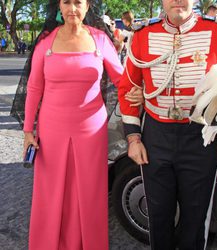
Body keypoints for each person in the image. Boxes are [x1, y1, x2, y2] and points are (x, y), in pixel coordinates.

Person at [118, 0, 217, 249]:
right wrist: (133, 138)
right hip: (156, 135)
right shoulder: (143, 34)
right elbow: (128, 89)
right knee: (158, 216)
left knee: (196, 217)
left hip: (199, 137)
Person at [22, 0, 142, 249]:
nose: (72, 8)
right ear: (59, 6)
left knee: (89, 191)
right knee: (51, 192)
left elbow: (121, 79)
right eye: (67, 2)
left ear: (88, 6)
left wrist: (140, 93)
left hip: (91, 131)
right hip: (51, 130)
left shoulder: (100, 40)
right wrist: (27, 132)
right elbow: (34, 87)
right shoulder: (45, 42)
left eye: (78, 2)